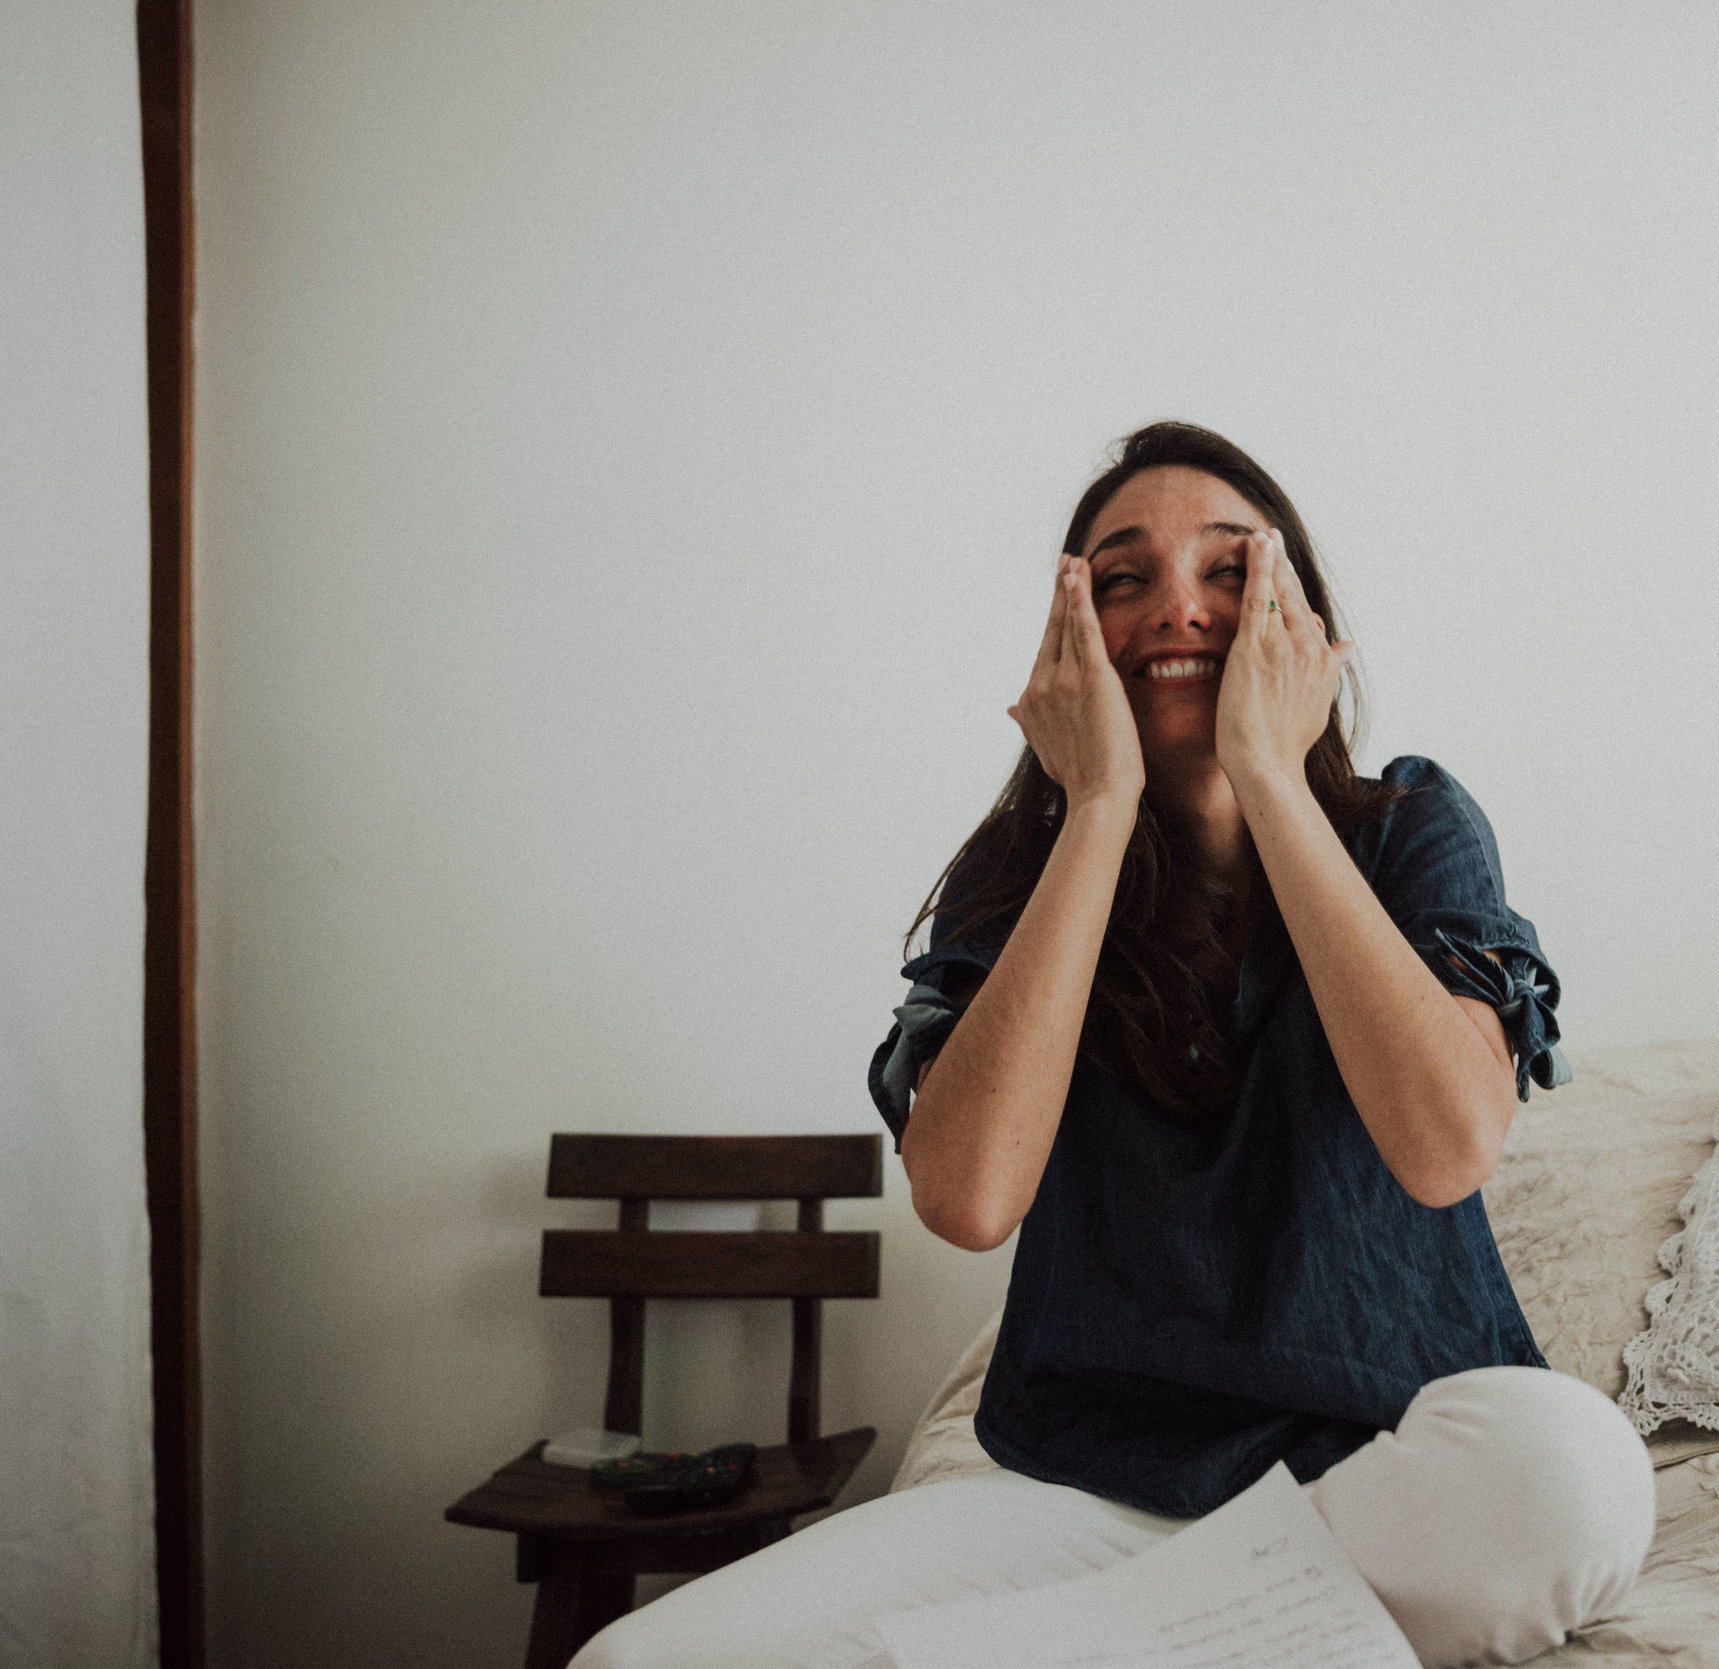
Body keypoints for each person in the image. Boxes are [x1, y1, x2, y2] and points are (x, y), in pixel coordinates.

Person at [574, 424, 1652, 1669]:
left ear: (1303, 617)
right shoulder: (1019, 873)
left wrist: (1268, 772)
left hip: (1375, 1481)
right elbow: (970, 1198)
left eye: (1229, 571)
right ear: (1072, 637)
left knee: (1578, 1474)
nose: (1178, 610)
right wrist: (1096, 806)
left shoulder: (1412, 820)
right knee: (631, 1662)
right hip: (1076, 1493)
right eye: (1124, 579)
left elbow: (1447, 1141)